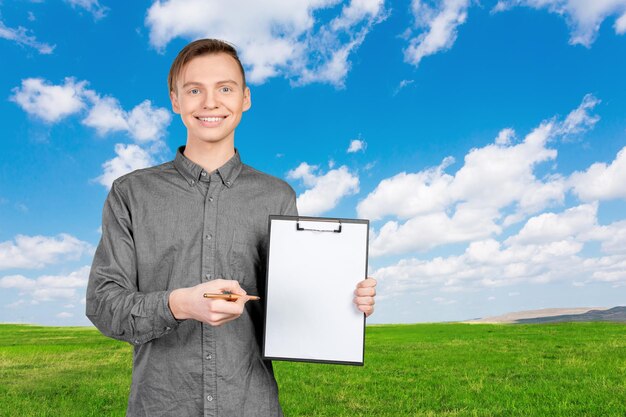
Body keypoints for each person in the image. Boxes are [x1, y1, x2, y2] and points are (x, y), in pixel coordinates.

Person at [86, 38, 377, 417]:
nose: (210, 102)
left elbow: (286, 307)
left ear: (245, 98)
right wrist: (179, 304)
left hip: (251, 403)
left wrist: (344, 302)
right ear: (176, 101)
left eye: (225, 88)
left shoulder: (277, 196)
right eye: (194, 90)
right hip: (160, 405)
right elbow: (104, 304)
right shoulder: (131, 193)